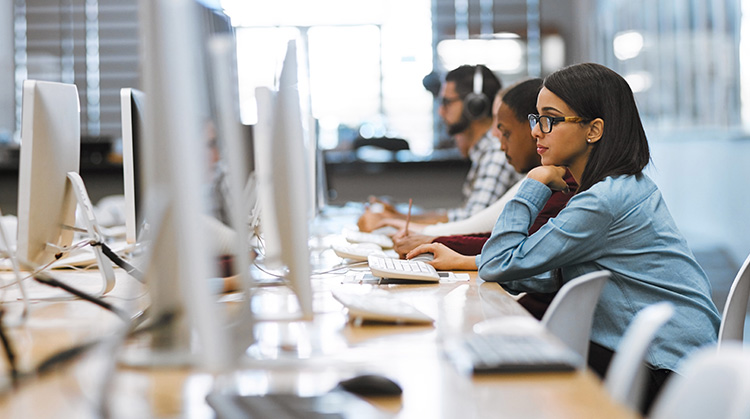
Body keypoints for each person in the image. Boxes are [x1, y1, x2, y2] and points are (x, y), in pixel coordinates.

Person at [473, 63, 719, 414]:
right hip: (682, 358)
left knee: (510, 383)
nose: (536, 133)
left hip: (663, 370)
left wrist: (534, 183)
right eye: (536, 119)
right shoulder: (621, 187)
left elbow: (499, 263)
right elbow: (550, 270)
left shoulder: (603, 201)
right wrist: (499, 268)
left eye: (550, 120)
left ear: (594, 130)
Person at [357, 65, 521, 232]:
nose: (441, 111)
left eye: (446, 102)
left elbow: (469, 225)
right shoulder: (485, 152)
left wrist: (392, 221)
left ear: (474, 105)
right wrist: (398, 216)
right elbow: (460, 216)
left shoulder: (496, 153)